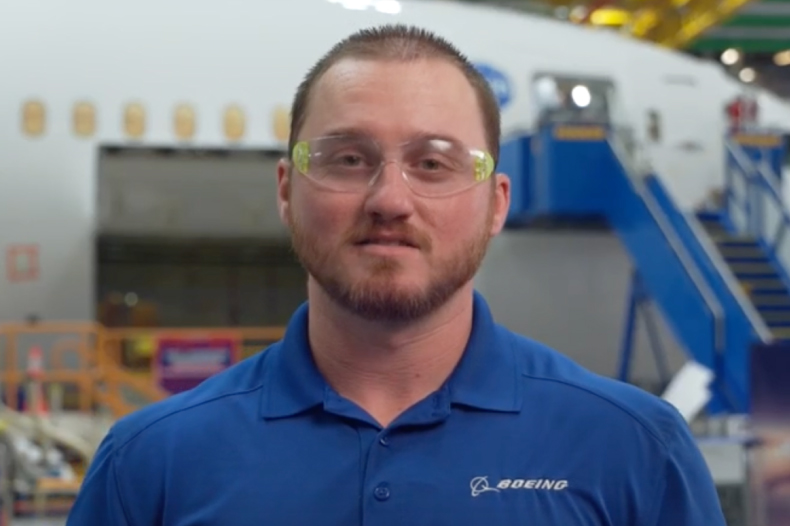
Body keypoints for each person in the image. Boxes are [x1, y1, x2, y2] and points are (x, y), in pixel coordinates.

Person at [67, 24, 726, 525]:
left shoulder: (634, 452)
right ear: (286, 190)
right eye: (348, 158)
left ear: (496, 202)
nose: (388, 199)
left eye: (434, 163)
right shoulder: (151, 464)